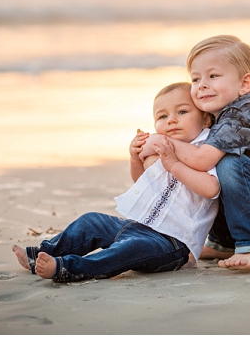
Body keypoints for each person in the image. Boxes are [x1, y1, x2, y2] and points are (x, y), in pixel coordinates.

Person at [12, 82, 219, 282]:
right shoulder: (161, 149)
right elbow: (142, 181)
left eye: (182, 112)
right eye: (162, 116)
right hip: (137, 226)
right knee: (90, 221)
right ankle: (41, 254)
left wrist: (174, 165)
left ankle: (69, 268)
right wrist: (135, 158)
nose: (171, 120)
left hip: (172, 244)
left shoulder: (206, 151)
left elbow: (211, 189)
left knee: (129, 249)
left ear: (206, 119)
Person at [143, 35, 250, 272]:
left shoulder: (241, 116)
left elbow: (201, 160)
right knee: (209, 176)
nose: (202, 85)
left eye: (213, 76)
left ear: (244, 84)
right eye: (196, 78)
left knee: (230, 164)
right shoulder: (216, 119)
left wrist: (162, 141)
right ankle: (223, 243)